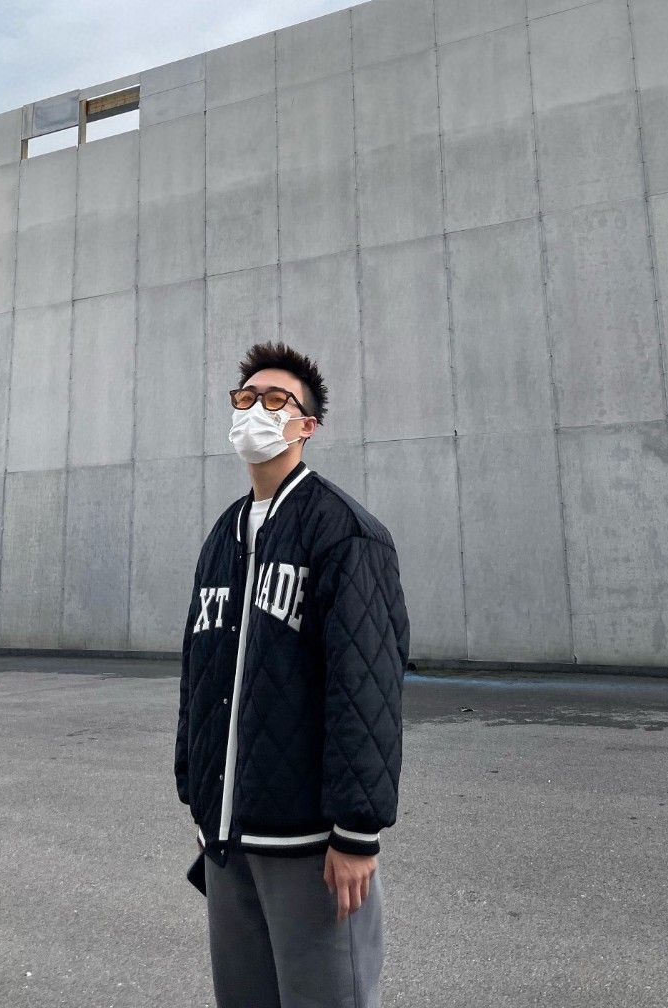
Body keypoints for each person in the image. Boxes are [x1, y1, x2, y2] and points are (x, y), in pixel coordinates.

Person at [174, 340, 410, 1008]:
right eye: (245, 398)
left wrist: (357, 832)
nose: (255, 409)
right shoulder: (223, 536)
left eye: (275, 399)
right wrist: (199, 794)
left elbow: (365, 686)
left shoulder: (345, 532)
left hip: (310, 845)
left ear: (306, 425)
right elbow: (200, 675)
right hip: (229, 836)